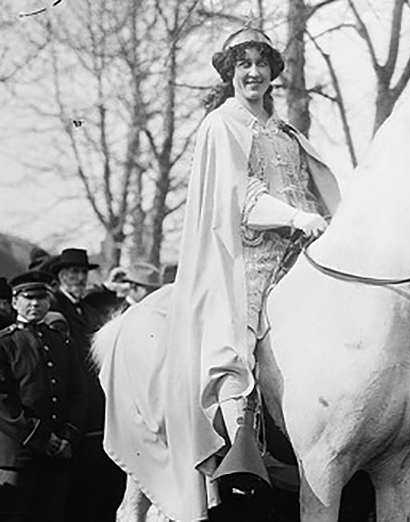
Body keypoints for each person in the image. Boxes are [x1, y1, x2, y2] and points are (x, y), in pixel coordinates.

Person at [104, 26, 340, 521]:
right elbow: (240, 198)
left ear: (274, 71)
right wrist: (297, 217)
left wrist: (325, 221)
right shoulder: (221, 124)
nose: (253, 73)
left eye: (261, 64)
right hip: (244, 255)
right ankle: (240, 453)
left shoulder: (284, 129)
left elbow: (309, 187)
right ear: (230, 72)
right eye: (243, 65)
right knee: (234, 339)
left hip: (299, 248)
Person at [0, 271, 87, 521]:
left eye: (41, 298)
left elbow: (78, 391)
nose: (35, 304)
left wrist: (69, 435)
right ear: (15, 302)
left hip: (57, 454)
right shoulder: (5, 343)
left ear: (49, 302)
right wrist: (40, 437)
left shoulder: (61, 342)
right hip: (19, 456)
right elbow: (3, 403)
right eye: (28, 298)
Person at [48, 248, 125, 522]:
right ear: (60, 276)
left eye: (82, 272)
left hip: (96, 403)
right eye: (73, 272)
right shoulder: (53, 307)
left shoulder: (91, 310)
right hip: (70, 405)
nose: (79, 278)